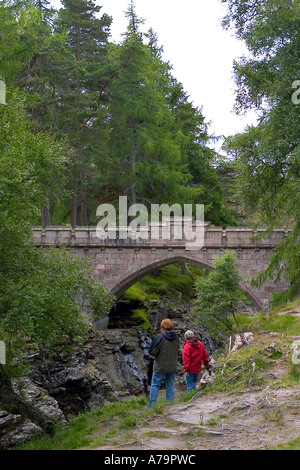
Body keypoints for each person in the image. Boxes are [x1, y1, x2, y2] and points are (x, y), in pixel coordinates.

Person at [146, 319, 179, 408]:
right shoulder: (176, 337)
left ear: (162, 327)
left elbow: (152, 351)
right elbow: (177, 351)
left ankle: (152, 405)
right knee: (170, 384)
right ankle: (169, 404)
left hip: (160, 365)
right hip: (172, 365)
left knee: (155, 385)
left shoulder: (160, 337)